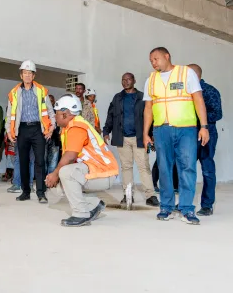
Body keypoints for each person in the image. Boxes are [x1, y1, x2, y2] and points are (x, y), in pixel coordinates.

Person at [143, 47, 209, 225]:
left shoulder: (186, 73)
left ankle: (186, 209)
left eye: (156, 58)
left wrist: (204, 126)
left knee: (187, 167)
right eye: (151, 60)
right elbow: (148, 108)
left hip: (186, 129)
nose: (153, 63)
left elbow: (198, 99)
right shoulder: (151, 79)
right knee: (164, 168)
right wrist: (145, 133)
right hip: (161, 130)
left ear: (167, 56)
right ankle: (166, 207)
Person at [45, 95, 119, 227]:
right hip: (96, 171)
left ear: (65, 114)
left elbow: (70, 156)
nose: (55, 116)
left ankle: (81, 214)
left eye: (56, 113)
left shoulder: (77, 126)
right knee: (58, 186)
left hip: (104, 173)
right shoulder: (70, 127)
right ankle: (93, 205)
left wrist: (55, 174)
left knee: (65, 173)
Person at [103, 73, 159, 207]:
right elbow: (110, 115)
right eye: (123, 80)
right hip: (122, 138)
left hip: (140, 137)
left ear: (134, 81)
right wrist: (106, 131)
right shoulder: (117, 98)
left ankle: (150, 195)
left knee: (144, 166)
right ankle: (128, 195)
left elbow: (150, 116)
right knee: (126, 167)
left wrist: (152, 134)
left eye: (128, 79)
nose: (125, 82)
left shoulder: (142, 97)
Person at [6, 60, 55, 203]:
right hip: (21, 130)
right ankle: (25, 192)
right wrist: (9, 131)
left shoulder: (41, 91)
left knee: (40, 161)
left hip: (38, 129)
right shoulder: (14, 93)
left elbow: (50, 112)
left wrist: (51, 128)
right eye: (25, 73)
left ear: (34, 76)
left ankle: (41, 193)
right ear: (21, 75)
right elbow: (9, 115)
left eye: (30, 73)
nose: (27, 76)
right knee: (23, 161)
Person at [188, 64, 223, 216]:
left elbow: (217, 113)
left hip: (207, 133)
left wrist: (199, 117)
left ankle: (207, 205)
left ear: (195, 75)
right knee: (186, 169)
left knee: (207, 169)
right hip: (188, 134)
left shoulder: (210, 90)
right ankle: (185, 202)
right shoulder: (184, 93)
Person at [45, 94, 61, 174]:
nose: (50, 103)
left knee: (53, 161)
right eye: (49, 101)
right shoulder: (43, 113)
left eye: (51, 101)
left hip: (55, 139)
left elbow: (60, 126)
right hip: (44, 139)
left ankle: (50, 177)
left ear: (54, 102)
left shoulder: (58, 113)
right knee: (43, 160)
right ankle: (43, 178)